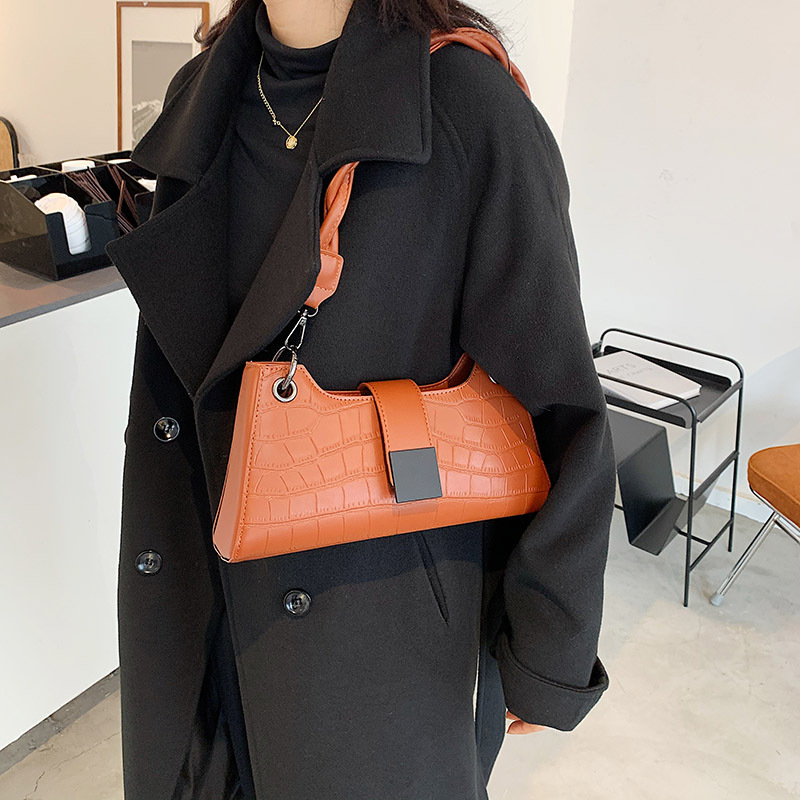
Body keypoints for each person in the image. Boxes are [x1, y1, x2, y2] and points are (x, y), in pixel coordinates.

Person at [103, 0, 618, 797]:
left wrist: (549, 645)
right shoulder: (202, 92)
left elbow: (561, 401)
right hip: (195, 599)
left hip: (377, 641)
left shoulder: (465, 106)